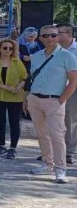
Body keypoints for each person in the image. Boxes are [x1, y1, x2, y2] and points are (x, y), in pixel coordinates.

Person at [26, 25, 77, 184]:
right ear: (40, 38)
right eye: (46, 36)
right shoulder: (37, 56)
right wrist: (27, 98)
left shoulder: (67, 56)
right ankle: (48, 164)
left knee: (57, 136)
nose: (50, 39)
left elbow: (73, 81)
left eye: (53, 36)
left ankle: (60, 169)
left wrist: (61, 100)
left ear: (58, 37)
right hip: (35, 99)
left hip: (54, 100)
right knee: (41, 134)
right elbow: (32, 78)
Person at [0, 38, 27, 159]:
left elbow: (25, 76)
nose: (8, 50)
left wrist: (19, 86)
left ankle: (13, 148)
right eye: (5, 48)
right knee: (0, 122)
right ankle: (1, 145)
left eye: (10, 48)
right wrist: (6, 87)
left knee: (14, 123)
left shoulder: (17, 62)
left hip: (15, 97)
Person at [58, 23, 77, 164]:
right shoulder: (54, 49)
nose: (55, 35)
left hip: (73, 89)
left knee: (70, 120)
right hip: (54, 89)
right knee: (53, 120)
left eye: (59, 32)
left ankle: (69, 152)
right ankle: (54, 151)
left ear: (69, 34)